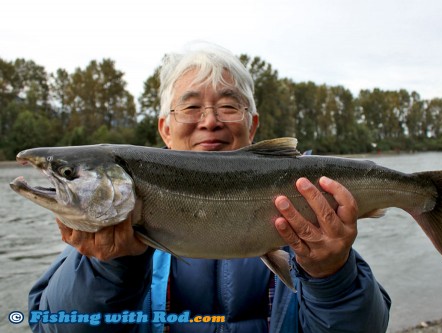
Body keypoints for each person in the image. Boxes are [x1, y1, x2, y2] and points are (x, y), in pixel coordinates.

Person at [29, 43, 391, 333]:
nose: (210, 121)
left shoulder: (305, 197)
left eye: (229, 106)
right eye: (190, 107)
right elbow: (50, 326)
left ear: (253, 125)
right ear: (165, 129)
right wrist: (108, 269)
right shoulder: (106, 231)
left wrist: (332, 274)